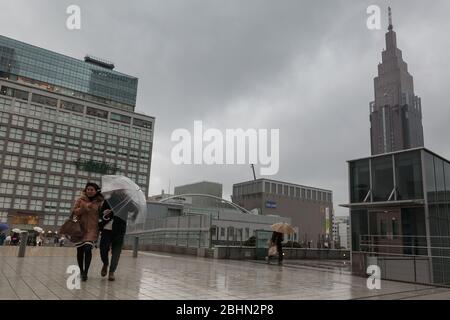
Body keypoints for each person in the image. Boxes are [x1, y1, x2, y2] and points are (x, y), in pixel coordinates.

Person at [99, 190, 138, 281]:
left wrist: (130, 201)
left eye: (121, 190)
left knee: (116, 252)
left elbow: (135, 209)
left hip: (119, 230)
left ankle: (112, 272)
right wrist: (105, 212)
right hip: (107, 228)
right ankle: (105, 263)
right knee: (103, 249)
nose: (119, 191)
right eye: (117, 190)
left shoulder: (127, 201)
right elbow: (100, 213)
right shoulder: (108, 200)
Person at [72, 182, 104, 281]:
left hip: (92, 229)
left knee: (87, 248)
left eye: (92, 189)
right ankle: (81, 270)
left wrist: (105, 213)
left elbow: (101, 215)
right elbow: (75, 211)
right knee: (80, 250)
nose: (89, 191)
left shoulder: (100, 202)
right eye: (88, 189)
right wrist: (85, 207)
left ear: (96, 191)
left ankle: (86, 272)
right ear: (85, 190)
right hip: (80, 229)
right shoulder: (80, 200)